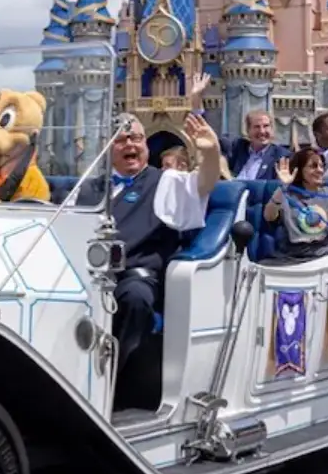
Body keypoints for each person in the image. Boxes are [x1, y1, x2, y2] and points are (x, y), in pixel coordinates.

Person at [74, 111, 221, 378]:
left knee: (135, 298)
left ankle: (108, 381)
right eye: (122, 140)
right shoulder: (90, 188)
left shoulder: (164, 181)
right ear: (107, 148)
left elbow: (203, 184)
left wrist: (211, 154)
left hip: (135, 277)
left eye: (137, 138)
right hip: (86, 274)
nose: (131, 144)